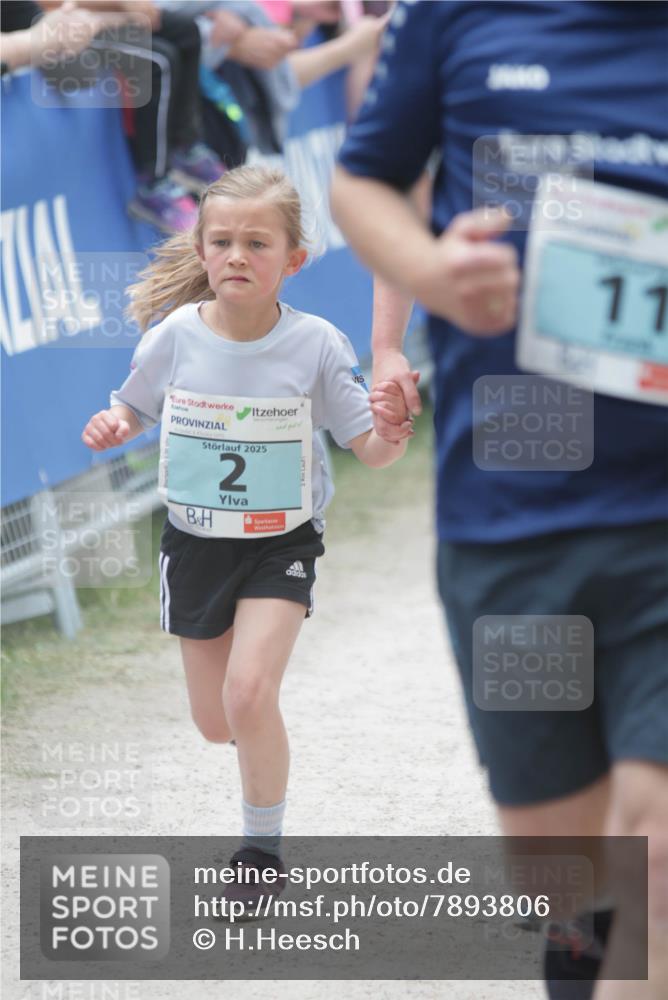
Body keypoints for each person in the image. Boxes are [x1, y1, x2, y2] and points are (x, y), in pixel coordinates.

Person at [331, 2, 668, 998]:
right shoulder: (458, 13)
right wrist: (433, 272)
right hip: (511, 523)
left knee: (648, 861)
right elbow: (362, 181)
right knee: (569, 896)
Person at [81, 165, 409, 908]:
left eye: (257, 243)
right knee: (214, 721)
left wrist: (391, 430)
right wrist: (114, 426)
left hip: (280, 542)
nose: (236, 256)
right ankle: (259, 744)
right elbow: (131, 408)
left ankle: (260, 851)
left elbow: (371, 448)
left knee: (249, 692)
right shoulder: (173, 338)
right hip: (196, 542)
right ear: (199, 251)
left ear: (293, 260)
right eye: (221, 241)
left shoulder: (319, 345)